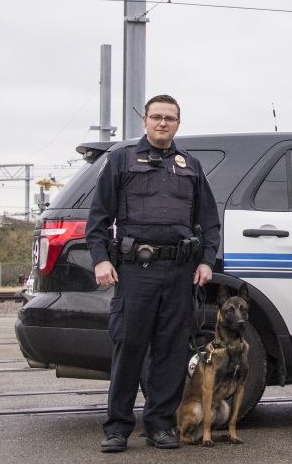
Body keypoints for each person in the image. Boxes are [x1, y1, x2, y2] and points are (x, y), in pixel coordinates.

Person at [86, 95, 221, 453]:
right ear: (144, 120)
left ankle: (161, 426)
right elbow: (98, 217)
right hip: (135, 272)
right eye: (157, 117)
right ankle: (117, 428)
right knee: (129, 350)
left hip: (180, 272)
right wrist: (101, 259)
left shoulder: (190, 165)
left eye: (170, 118)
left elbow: (209, 221)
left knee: (171, 352)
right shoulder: (122, 160)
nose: (163, 123)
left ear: (179, 123)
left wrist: (207, 260)